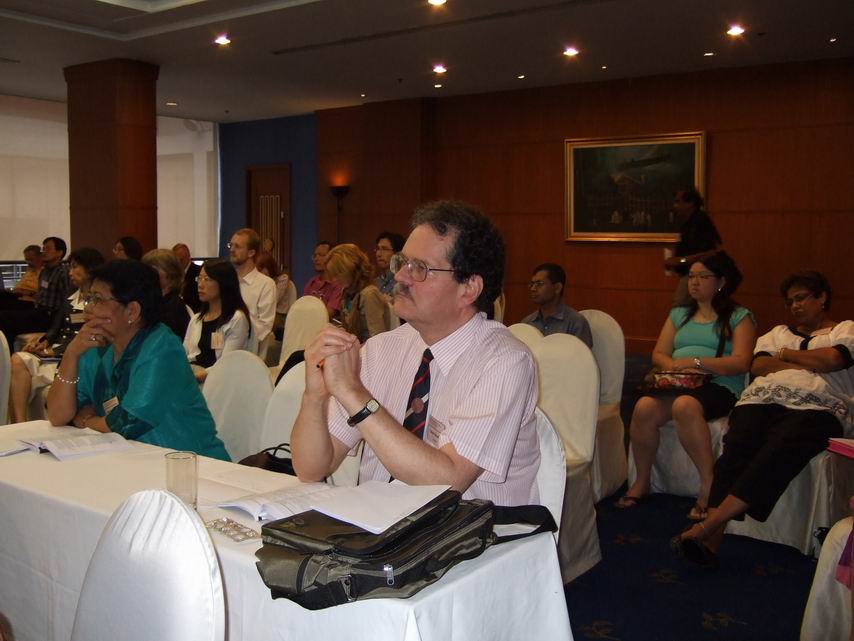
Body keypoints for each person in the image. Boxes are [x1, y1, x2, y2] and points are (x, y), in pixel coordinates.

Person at [291, 201, 540, 506]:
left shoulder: (504, 362)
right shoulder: (382, 350)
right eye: (402, 262)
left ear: (469, 288)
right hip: (378, 526)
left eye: (419, 268)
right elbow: (311, 468)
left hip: (472, 531)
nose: (400, 277)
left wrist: (354, 395)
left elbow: (448, 481)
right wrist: (314, 397)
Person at [673, 271, 853, 567]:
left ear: (822, 297)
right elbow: (759, 367)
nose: (794, 306)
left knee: (779, 449)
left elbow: (833, 360)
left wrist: (785, 356)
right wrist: (807, 360)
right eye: (789, 302)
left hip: (819, 407)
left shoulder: (846, 330)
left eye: (801, 298)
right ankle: (712, 541)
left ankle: (709, 525)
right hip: (762, 399)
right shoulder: (777, 333)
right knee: (736, 448)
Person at [617, 251, 755, 519]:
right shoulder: (679, 314)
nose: (694, 282)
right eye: (691, 276)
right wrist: (676, 367)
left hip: (720, 384)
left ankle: (708, 485)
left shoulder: (739, 316)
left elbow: (741, 362)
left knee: (685, 406)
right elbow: (659, 353)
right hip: (680, 382)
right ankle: (642, 481)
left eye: (703, 276)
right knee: (644, 407)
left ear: (721, 281)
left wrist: (697, 363)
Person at [46, 259, 229, 460]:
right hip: (129, 461)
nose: (88, 309)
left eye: (98, 299)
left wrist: (85, 421)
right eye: (89, 299)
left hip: (191, 464)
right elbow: (58, 415)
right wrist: (71, 354)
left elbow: (126, 423)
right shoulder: (96, 345)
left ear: (132, 311)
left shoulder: (162, 347)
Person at [9, 248, 105, 423]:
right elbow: (56, 326)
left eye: (75, 267)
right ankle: (20, 423)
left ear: (90, 269)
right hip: (55, 351)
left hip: (71, 356)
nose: (70, 273)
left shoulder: (100, 302)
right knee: (17, 360)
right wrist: (44, 341)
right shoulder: (71, 294)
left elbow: (87, 338)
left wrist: (55, 351)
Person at [184, 259, 251, 383]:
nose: (200, 285)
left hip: (219, 382)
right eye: (199, 278)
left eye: (207, 279)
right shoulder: (196, 319)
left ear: (223, 283)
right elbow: (185, 353)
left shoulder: (236, 319)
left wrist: (197, 377)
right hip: (193, 377)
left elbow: (226, 363)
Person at [0, 237, 70, 347]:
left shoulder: (63, 273)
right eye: (43, 248)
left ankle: (7, 354)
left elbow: (66, 301)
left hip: (49, 316)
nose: (44, 251)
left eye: (48, 248)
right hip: (37, 309)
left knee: (3, 318)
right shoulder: (45, 271)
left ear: (59, 253)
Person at [663, 187, 722, 306]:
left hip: (696, 275)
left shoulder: (699, 222)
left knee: (679, 308)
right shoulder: (692, 222)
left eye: (678, 202)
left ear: (690, 203)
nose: (675, 206)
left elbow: (706, 254)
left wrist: (679, 261)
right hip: (694, 274)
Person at [325, 243, 390, 343]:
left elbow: (378, 339)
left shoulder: (369, 294)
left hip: (369, 349)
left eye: (337, 274)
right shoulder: (347, 293)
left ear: (350, 269)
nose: (334, 279)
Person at [521, 262, 593, 348]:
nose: (533, 289)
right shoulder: (527, 322)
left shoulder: (576, 322)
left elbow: (583, 355)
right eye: (532, 284)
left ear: (557, 288)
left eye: (539, 284)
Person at [228, 228, 275, 349]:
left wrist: (236, 338)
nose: (232, 249)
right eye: (230, 245)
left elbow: (264, 327)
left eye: (237, 246)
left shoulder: (266, 285)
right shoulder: (226, 281)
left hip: (249, 350)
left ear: (251, 253)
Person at [142, 249, 191, 339]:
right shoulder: (151, 301)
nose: (147, 274)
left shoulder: (174, 304)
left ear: (170, 272)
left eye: (153, 269)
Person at [256, 252, 292, 338]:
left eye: (262, 269)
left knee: (259, 325)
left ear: (269, 267)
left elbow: (273, 300)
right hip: (267, 314)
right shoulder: (261, 281)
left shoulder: (282, 279)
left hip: (280, 316)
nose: (260, 273)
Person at [303, 241, 342, 318]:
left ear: (332, 258)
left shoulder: (338, 283)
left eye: (321, 255)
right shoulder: (311, 282)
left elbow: (328, 314)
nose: (316, 259)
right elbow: (302, 308)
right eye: (315, 256)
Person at [0, 244, 43, 311]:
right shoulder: (30, 271)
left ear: (40, 257)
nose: (28, 262)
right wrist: (13, 291)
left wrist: (26, 293)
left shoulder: (44, 273)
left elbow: (41, 293)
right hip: (17, 296)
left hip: (27, 300)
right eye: (27, 260)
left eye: (31, 259)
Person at [374, 231, 405, 297]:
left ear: (397, 253)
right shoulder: (374, 283)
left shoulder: (403, 282)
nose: (378, 254)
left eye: (384, 249)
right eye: (377, 249)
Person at [172, 243, 201, 312]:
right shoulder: (172, 273)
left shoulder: (199, 272)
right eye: (176, 261)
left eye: (181, 260)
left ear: (188, 257)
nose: (178, 263)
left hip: (195, 310)